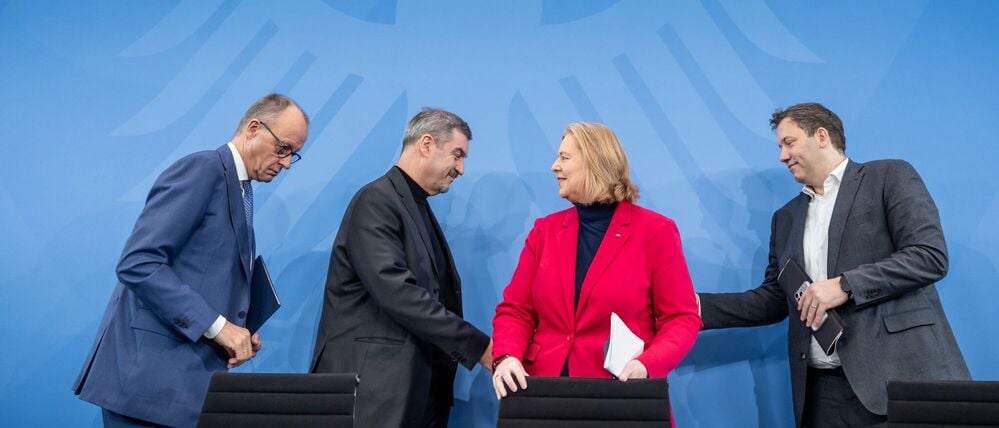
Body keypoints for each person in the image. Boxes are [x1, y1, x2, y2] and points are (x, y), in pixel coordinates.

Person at [697, 102, 970, 427]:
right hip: (821, 395)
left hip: (895, 385)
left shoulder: (888, 176)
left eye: (789, 142)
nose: (782, 156)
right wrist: (693, 306)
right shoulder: (785, 218)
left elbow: (929, 256)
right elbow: (773, 300)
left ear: (822, 136)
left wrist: (844, 285)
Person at [73, 94, 310, 427]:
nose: (286, 163)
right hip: (147, 385)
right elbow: (138, 263)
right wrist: (218, 327)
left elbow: (200, 272)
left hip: (176, 389)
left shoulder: (241, 188)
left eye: (293, 155)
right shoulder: (204, 169)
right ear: (254, 128)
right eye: (283, 148)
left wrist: (238, 329)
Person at [491, 123, 701, 405]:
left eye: (565, 158)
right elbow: (515, 310)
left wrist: (648, 365)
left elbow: (681, 319)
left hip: (619, 395)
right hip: (543, 395)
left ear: (596, 162)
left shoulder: (655, 231)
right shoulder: (545, 231)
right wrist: (506, 356)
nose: (554, 167)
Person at [310, 108, 492, 428]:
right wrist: (477, 346)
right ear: (426, 144)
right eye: (457, 154)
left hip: (412, 391)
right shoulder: (377, 201)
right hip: (373, 393)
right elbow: (397, 292)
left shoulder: (413, 203)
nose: (461, 169)